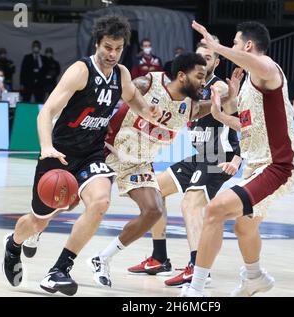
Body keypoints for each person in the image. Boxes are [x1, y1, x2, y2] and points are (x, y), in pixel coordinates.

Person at [2, 15, 160, 297]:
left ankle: (59, 270)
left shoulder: (122, 74)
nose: (113, 54)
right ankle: (13, 244)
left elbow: (134, 98)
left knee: (100, 202)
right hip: (59, 154)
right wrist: (46, 147)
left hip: (91, 154)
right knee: (39, 219)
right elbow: (47, 112)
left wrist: (148, 111)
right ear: (97, 43)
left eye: (118, 48)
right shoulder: (80, 71)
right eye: (108, 47)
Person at [88, 52, 230, 288]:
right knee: (69, 198)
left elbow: (203, 109)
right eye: (199, 76)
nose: (203, 82)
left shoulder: (192, 103)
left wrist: (228, 97)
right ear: (182, 76)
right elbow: (109, 100)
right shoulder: (148, 83)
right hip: (107, 150)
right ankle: (32, 230)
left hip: (138, 162)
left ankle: (102, 258)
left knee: (153, 209)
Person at [180, 20, 294, 297]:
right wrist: (223, 116)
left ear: (247, 45)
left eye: (233, 43)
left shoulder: (267, 68)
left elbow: (261, 65)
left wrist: (215, 46)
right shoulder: (248, 81)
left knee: (214, 210)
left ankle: (196, 290)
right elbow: (250, 126)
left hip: (278, 166)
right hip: (257, 166)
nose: (230, 49)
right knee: (243, 227)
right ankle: (255, 277)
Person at [127, 39, 242, 288]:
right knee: (154, 189)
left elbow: (223, 96)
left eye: (209, 58)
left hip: (219, 157)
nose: (204, 61)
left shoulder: (216, 85)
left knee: (191, 202)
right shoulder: (191, 88)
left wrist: (228, 93)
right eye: (200, 56)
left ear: (217, 61)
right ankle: (159, 257)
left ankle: (198, 267)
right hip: (200, 158)